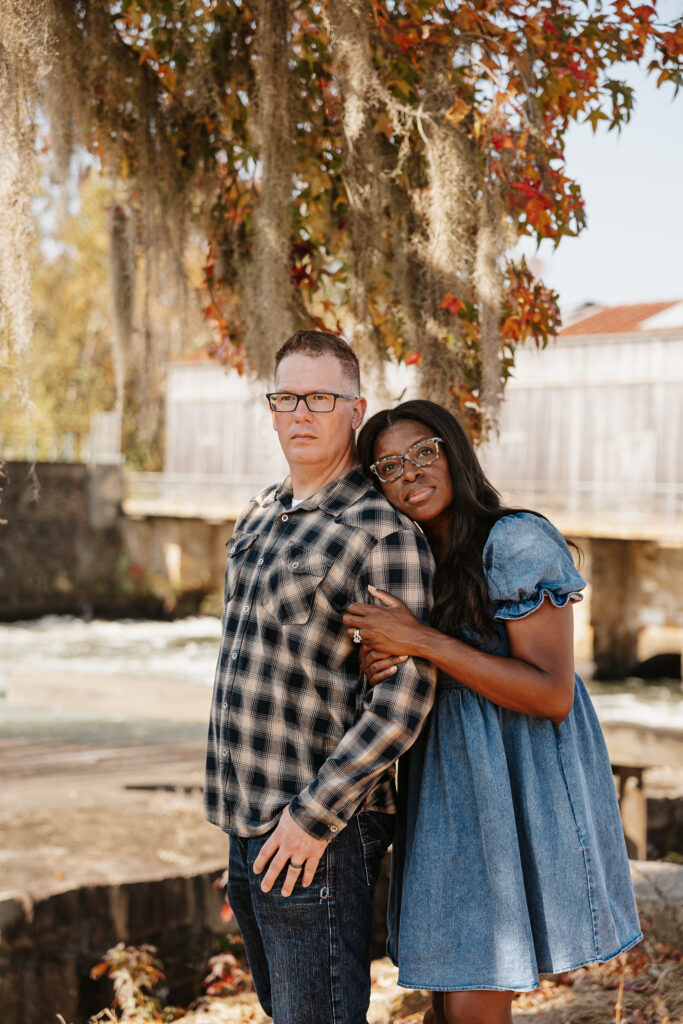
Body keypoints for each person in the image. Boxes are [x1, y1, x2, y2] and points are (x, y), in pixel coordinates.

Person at [343, 399, 642, 1024]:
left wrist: (421, 642)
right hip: (447, 785)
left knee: (474, 986)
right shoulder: (415, 558)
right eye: (389, 465)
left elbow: (552, 693)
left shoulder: (515, 540)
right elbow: (428, 667)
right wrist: (390, 662)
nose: (411, 473)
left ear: (456, 452)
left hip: (515, 779)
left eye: (425, 452)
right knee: (447, 994)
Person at [204, 332, 437, 1024]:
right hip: (245, 822)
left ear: (355, 408)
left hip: (319, 832)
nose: (300, 412)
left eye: (320, 398)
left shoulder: (381, 534)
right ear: (270, 408)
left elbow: (402, 700)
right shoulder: (257, 516)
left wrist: (310, 821)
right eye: (285, 397)